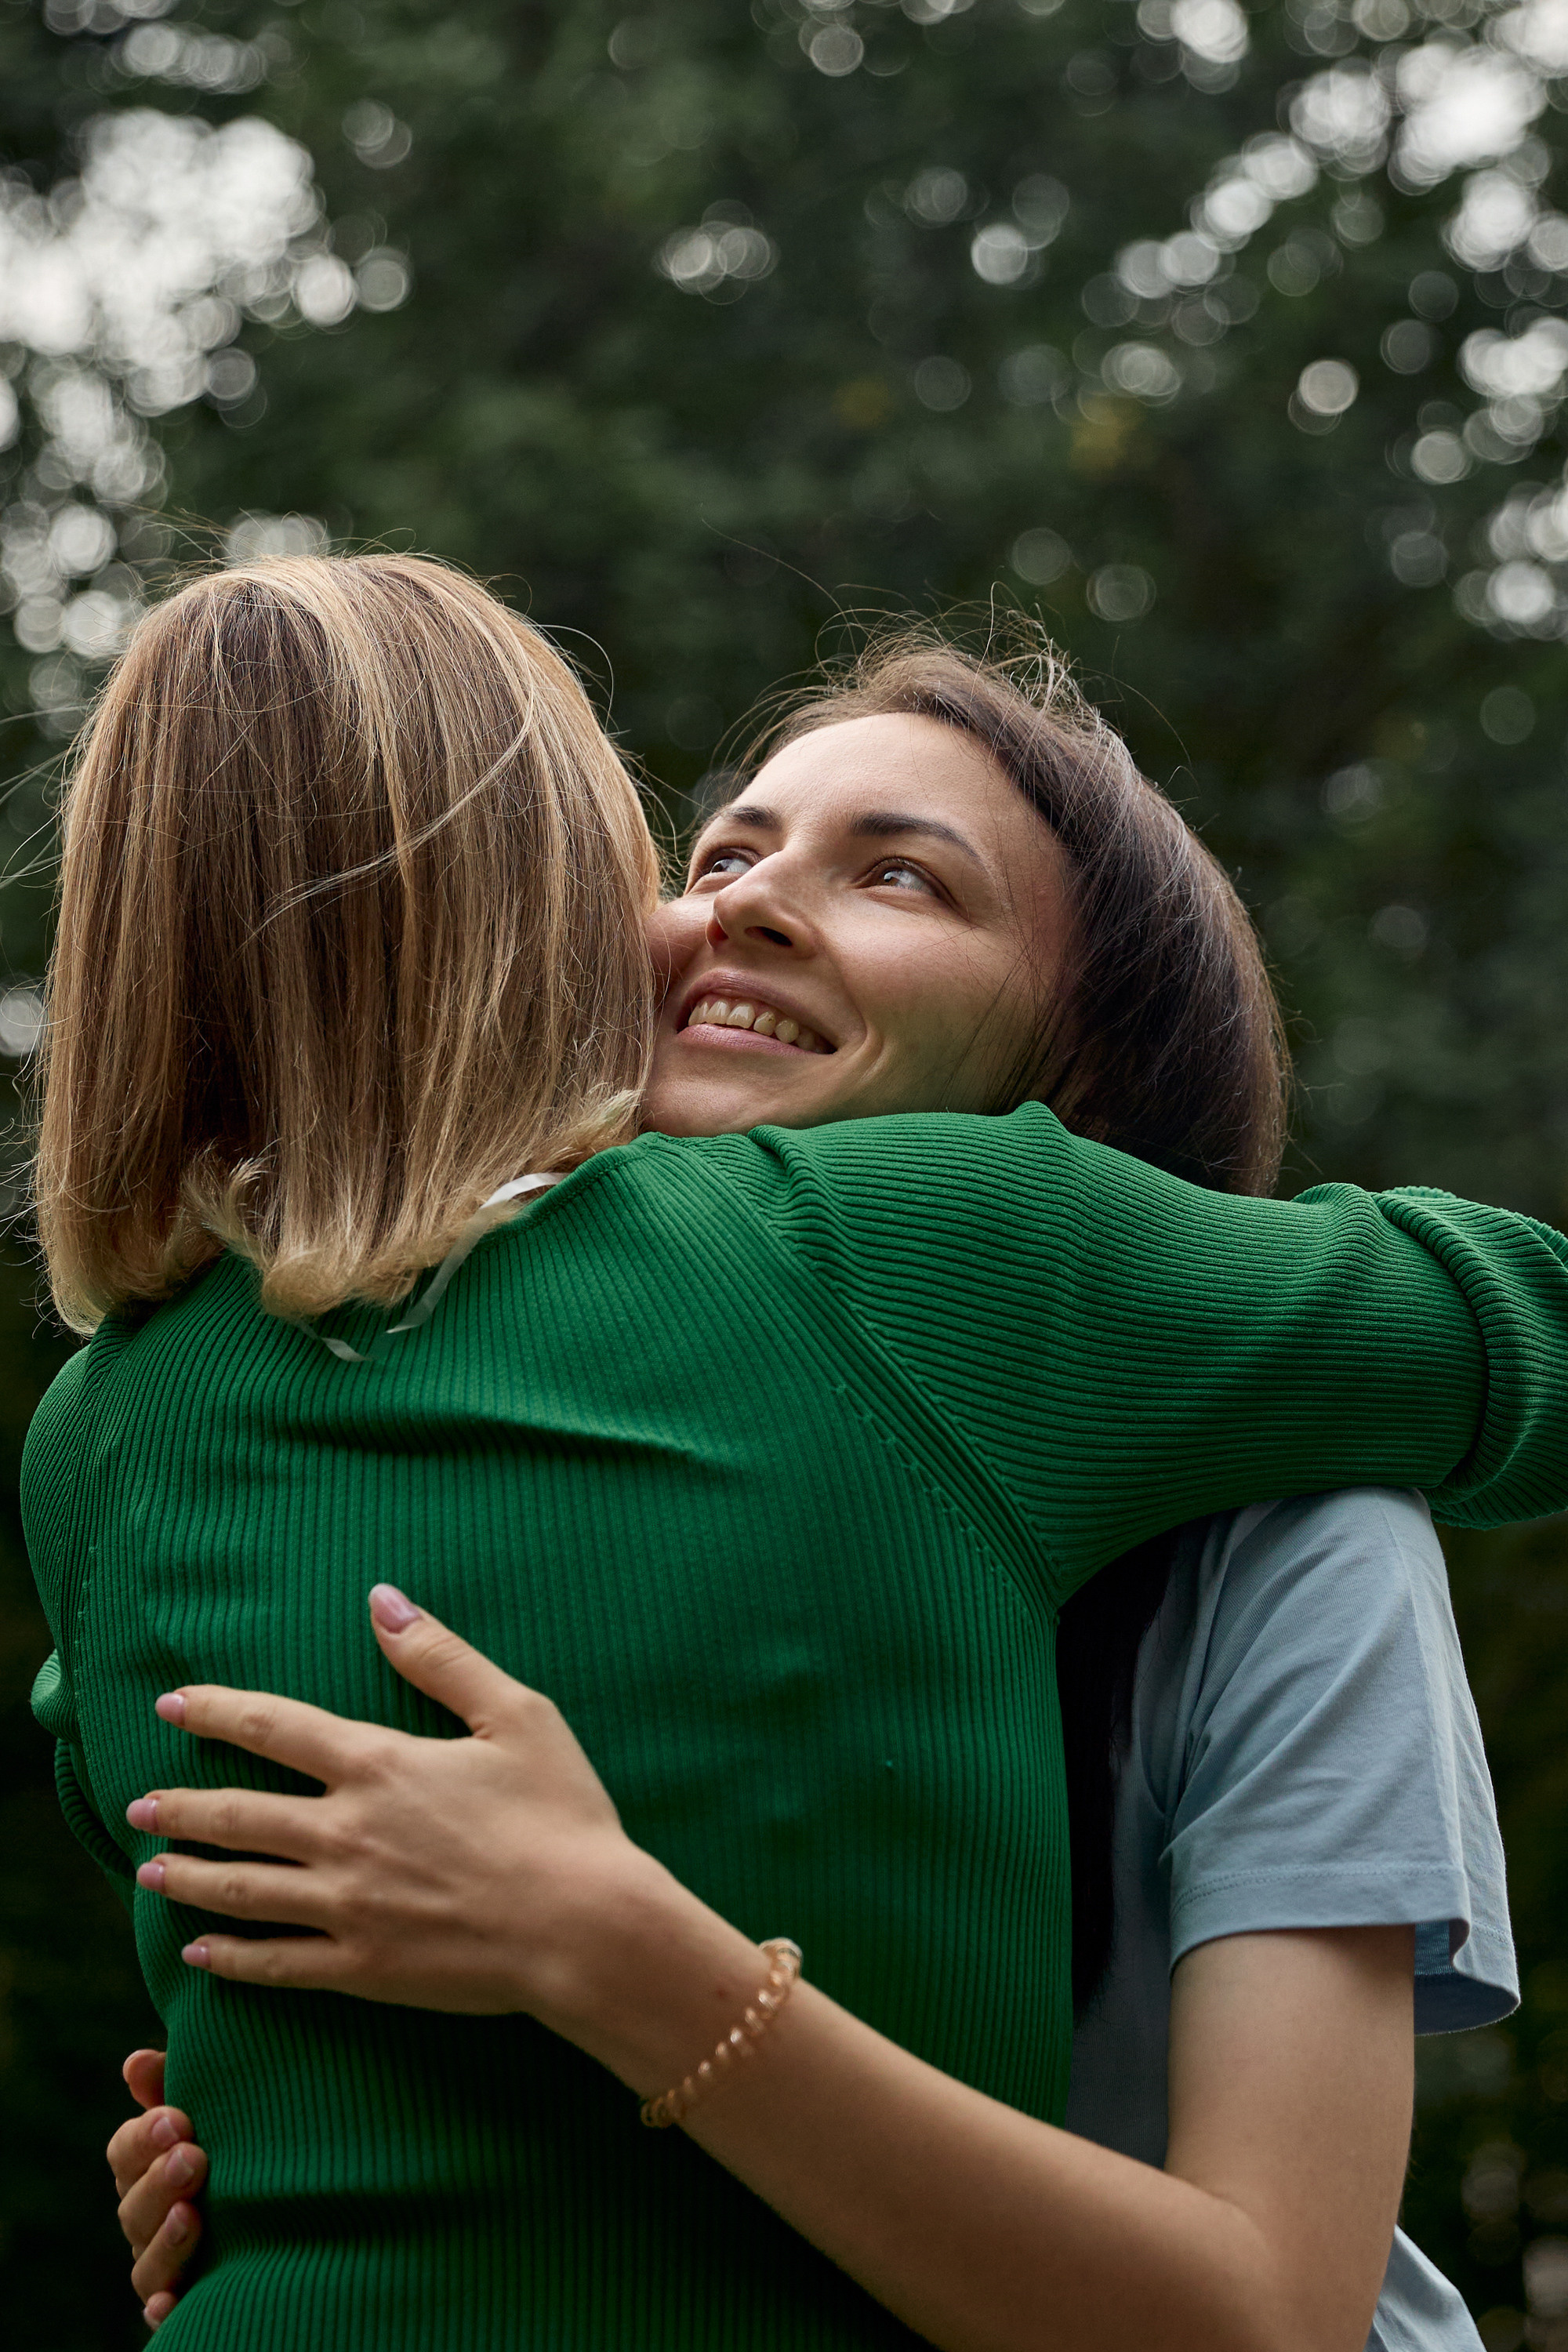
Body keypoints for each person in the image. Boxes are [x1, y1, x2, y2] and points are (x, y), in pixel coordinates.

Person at [26, 559, 1568, 2352]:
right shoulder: (390, 1392)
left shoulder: (1291, 1528)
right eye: (719, 859)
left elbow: (1269, 2320)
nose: (747, 907)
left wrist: (614, 1960)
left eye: (899, 874)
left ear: (1086, 1111)